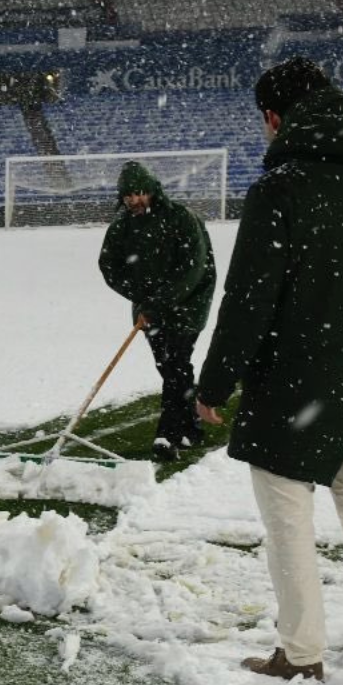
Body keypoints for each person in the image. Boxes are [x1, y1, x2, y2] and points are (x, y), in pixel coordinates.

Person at [194, 57, 343, 682]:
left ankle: (300, 655)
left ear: (273, 117)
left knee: (289, 520)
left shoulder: (279, 190)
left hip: (289, 384)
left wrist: (213, 386)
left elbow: (247, 301)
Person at [97, 160, 217, 460]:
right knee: (172, 367)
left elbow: (193, 271)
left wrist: (159, 302)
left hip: (188, 306)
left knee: (175, 367)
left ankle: (168, 435)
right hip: (149, 311)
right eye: (127, 196)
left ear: (152, 191)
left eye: (139, 194)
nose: (133, 201)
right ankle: (192, 428)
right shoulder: (123, 225)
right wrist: (140, 296)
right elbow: (109, 266)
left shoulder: (182, 219)